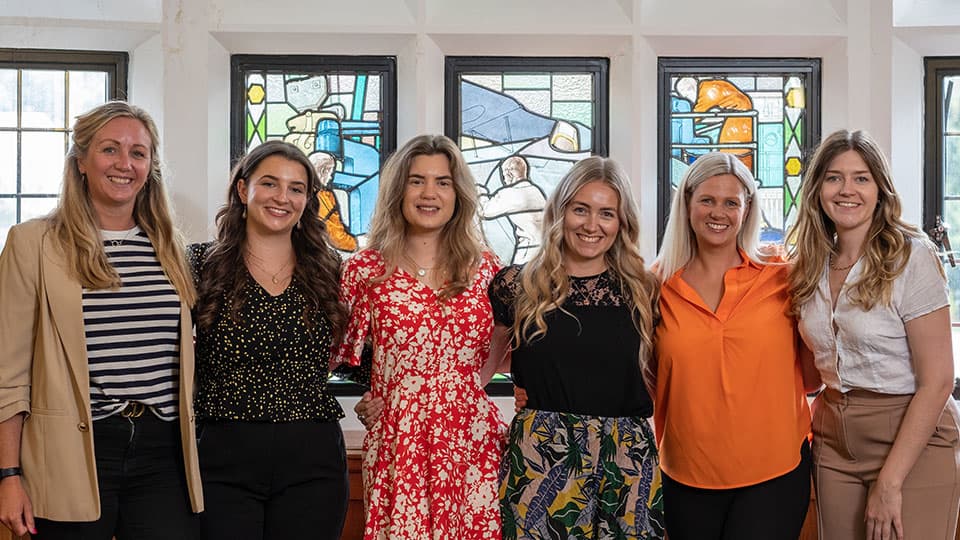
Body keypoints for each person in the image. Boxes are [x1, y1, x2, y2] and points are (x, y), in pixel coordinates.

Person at [0, 101, 202, 539]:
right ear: (82, 162)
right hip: (74, 450)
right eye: (110, 149)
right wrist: (8, 474)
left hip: (163, 453)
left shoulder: (170, 249)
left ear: (151, 166)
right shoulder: (33, 243)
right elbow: (9, 373)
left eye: (138, 153)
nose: (124, 164)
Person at [332, 134, 509, 539]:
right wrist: (376, 395)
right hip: (400, 440)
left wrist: (468, 387)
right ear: (399, 190)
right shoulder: (364, 270)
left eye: (442, 182)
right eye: (417, 180)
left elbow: (503, 341)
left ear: (458, 193)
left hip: (470, 438)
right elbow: (340, 354)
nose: (429, 193)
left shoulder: (486, 269)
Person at [788, 129, 960, 540]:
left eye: (861, 178)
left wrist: (890, 481)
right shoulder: (808, 267)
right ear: (817, 189)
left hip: (912, 438)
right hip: (833, 439)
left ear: (880, 189)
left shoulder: (911, 257)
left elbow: (937, 381)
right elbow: (813, 370)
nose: (847, 189)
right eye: (834, 177)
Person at [489, 156, 664, 539]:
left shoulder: (644, 291)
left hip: (626, 458)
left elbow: (666, 370)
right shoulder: (516, 286)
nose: (591, 225)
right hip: (541, 453)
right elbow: (479, 370)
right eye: (580, 209)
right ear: (560, 211)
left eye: (606, 213)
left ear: (621, 223)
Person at [188, 140, 350, 540]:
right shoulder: (198, 264)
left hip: (312, 460)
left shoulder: (334, 270)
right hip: (221, 457)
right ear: (244, 190)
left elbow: (361, 354)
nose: (283, 197)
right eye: (270, 184)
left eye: (296, 188)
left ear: (308, 200)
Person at [653, 152, 812, 539]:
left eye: (731, 202)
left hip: (774, 471)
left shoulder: (782, 276)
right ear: (686, 202)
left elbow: (812, 373)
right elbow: (637, 374)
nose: (718, 212)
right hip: (685, 472)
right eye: (707, 200)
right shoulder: (652, 286)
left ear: (747, 210)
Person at [478, 155, 546, 264]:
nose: (504, 180)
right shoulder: (535, 191)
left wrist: (480, 192)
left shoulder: (511, 193)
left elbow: (485, 211)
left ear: (509, 173)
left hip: (527, 254)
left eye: (504, 175)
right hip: (544, 252)